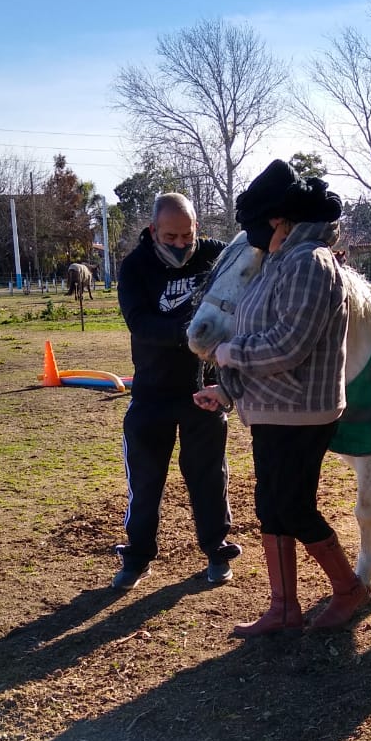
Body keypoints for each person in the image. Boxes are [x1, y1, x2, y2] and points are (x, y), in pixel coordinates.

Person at [193, 159, 368, 637]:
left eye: (253, 225)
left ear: (277, 221)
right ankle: (284, 609)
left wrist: (227, 352)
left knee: (294, 507)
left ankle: (349, 588)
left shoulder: (310, 264)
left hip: (303, 412)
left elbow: (289, 345)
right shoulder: (279, 264)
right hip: (272, 409)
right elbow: (262, 333)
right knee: (271, 507)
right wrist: (225, 389)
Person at [113, 192, 239, 591]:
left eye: (188, 236)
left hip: (201, 390)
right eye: (171, 238)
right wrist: (195, 335)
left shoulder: (214, 256)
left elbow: (248, 258)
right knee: (146, 478)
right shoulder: (135, 268)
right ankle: (138, 556)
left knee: (208, 476)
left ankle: (216, 550)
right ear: (153, 231)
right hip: (151, 392)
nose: (182, 245)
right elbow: (140, 324)